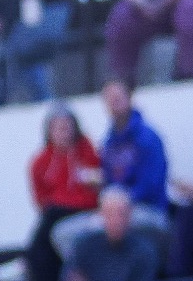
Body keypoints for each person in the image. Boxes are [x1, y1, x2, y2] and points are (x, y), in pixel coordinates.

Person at [54, 80, 172, 259]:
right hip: (113, 213)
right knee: (63, 232)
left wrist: (119, 204)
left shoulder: (149, 138)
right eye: (109, 100)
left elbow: (151, 184)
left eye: (117, 99)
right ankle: (93, 276)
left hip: (146, 211)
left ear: (129, 98)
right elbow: (109, 182)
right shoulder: (109, 143)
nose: (113, 104)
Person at [27, 104, 103, 281]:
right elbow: (40, 197)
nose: (63, 132)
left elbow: (96, 184)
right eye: (58, 127)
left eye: (67, 126)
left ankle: (33, 273)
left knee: (44, 231)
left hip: (84, 207)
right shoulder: (40, 162)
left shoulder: (87, 151)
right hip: (55, 211)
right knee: (48, 233)